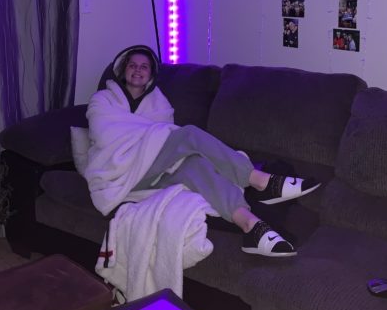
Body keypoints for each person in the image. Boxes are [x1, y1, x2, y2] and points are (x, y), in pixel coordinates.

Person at [84, 46, 321, 258]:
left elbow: (162, 140)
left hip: (155, 172)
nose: (138, 70)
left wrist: (150, 137)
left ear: (151, 74)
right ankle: (260, 181)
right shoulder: (103, 99)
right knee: (189, 134)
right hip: (122, 175)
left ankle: (251, 226)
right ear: (123, 69)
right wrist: (150, 136)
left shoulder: (159, 103)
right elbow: (106, 135)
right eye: (132, 65)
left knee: (195, 165)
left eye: (144, 66)